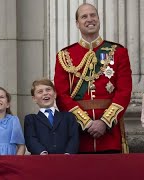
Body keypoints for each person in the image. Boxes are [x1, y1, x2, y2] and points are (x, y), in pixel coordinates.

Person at [54, 3, 132, 153]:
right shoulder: (65, 56)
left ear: (98, 19)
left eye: (93, 15)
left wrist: (104, 122)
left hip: (110, 135)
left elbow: (124, 92)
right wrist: (86, 123)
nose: (90, 19)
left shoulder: (118, 52)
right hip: (78, 136)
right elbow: (61, 95)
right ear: (77, 23)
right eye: (84, 16)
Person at [24, 78, 79, 155]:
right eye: (40, 92)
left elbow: (74, 138)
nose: (45, 93)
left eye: (48, 90)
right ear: (34, 99)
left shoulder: (68, 117)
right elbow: (31, 139)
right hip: (41, 161)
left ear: (55, 94)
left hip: (66, 161)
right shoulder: (31, 119)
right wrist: (42, 152)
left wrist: (68, 153)